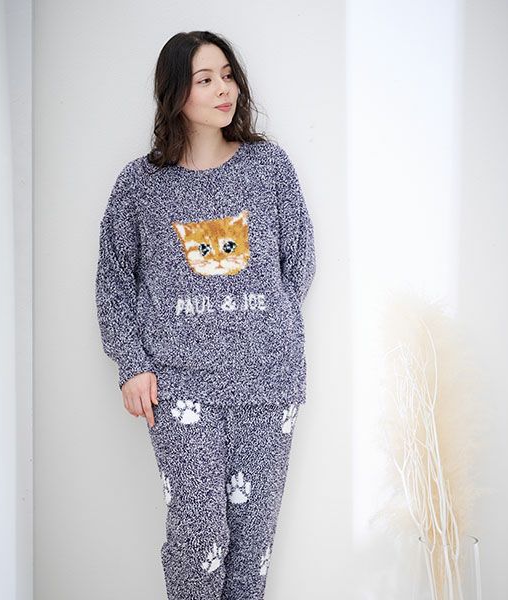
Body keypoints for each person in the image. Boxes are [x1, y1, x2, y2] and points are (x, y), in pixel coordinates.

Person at [95, 30, 316, 600]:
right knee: (201, 536)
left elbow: (300, 263)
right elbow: (114, 281)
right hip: (180, 387)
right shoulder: (141, 185)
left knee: (251, 545)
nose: (224, 89)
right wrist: (132, 363)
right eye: (205, 79)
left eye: (228, 75)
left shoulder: (269, 168)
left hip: (267, 383)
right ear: (175, 94)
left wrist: (263, 328)